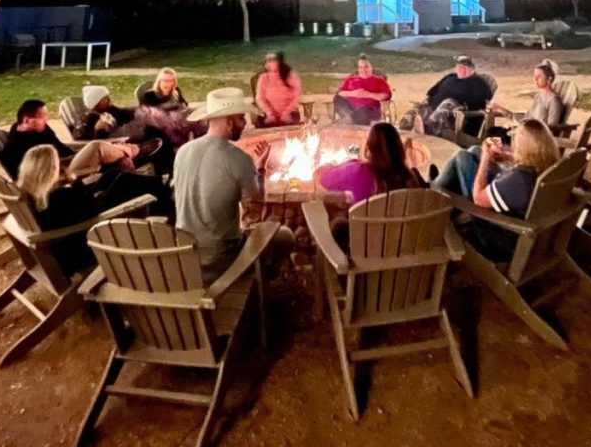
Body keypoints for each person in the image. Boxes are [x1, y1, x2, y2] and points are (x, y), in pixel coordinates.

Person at [173, 87, 293, 284]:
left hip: (185, 254)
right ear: (229, 121)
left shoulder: (183, 151)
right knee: (285, 236)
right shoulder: (238, 157)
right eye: (241, 118)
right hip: (221, 258)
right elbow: (255, 199)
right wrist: (259, 169)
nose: (245, 123)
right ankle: (257, 283)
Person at [16, 145, 173, 276]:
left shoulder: (37, 196)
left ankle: (164, 183)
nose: (61, 168)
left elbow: (81, 205)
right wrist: (74, 182)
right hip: (87, 243)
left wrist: (94, 192)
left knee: (111, 175)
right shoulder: (58, 196)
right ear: (48, 171)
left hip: (81, 226)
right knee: (123, 182)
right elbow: (89, 208)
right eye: (57, 166)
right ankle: (166, 187)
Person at [433, 119, 560, 260]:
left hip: (495, 235)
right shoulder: (547, 167)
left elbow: (478, 199)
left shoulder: (519, 179)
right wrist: (508, 157)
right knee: (475, 151)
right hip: (521, 226)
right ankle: (437, 185)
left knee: (462, 157)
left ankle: (433, 194)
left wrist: (486, 159)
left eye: (515, 139)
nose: (512, 143)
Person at [0, 99, 160, 180]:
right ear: (27, 121)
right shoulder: (15, 146)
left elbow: (61, 146)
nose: (46, 120)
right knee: (97, 146)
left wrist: (82, 151)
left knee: (113, 152)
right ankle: (136, 150)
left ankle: (128, 163)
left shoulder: (41, 129)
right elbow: (31, 175)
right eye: (43, 117)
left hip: (70, 160)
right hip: (60, 172)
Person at [317, 122, 421, 205]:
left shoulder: (361, 171)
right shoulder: (410, 177)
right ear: (398, 147)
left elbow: (324, 179)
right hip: (404, 230)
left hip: (365, 230)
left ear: (370, 146)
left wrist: (331, 166)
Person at [398, 55, 493, 136]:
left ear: (469, 69)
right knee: (413, 113)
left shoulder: (479, 84)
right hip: (432, 110)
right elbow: (432, 92)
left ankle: (427, 131)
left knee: (448, 103)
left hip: (455, 119)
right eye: (458, 66)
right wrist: (425, 102)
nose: (459, 69)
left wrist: (462, 107)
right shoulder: (450, 77)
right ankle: (400, 135)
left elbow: (481, 102)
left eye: (463, 67)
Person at [488, 63, 564, 128]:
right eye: (534, 76)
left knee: (493, 136)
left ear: (549, 79)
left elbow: (552, 127)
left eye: (539, 76)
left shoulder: (553, 101)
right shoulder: (538, 97)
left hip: (537, 139)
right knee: (492, 131)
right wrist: (499, 109)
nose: (535, 79)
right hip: (528, 133)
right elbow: (527, 118)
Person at [332, 54, 392, 125]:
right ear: (358, 68)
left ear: (371, 67)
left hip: (369, 111)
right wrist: (354, 93)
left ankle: (349, 119)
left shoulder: (379, 80)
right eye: (361, 67)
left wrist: (368, 94)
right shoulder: (351, 79)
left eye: (366, 67)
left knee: (362, 111)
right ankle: (349, 118)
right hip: (351, 109)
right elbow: (340, 93)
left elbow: (386, 95)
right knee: (337, 98)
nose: (363, 70)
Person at [255, 51, 302, 127]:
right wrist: (270, 114)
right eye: (269, 60)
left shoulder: (291, 76)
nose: (272, 62)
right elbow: (260, 98)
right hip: (268, 114)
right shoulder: (263, 78)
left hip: (290, 113)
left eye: (274, 59)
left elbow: (297, 97)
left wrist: (286, 113)